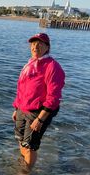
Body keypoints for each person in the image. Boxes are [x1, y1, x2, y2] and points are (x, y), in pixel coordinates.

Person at [12, 33, 65, 167]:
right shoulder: (30, 64)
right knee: (20, 140)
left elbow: (53, 97)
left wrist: (40, 119)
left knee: (30, 146)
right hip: (22, 109)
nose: (35, 46)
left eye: (40, 43)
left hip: (37, 112)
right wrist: (16, 108)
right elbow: (22, 88)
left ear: (47, 47)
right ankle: (24, 163)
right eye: (33, 43)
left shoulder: (52, 66)